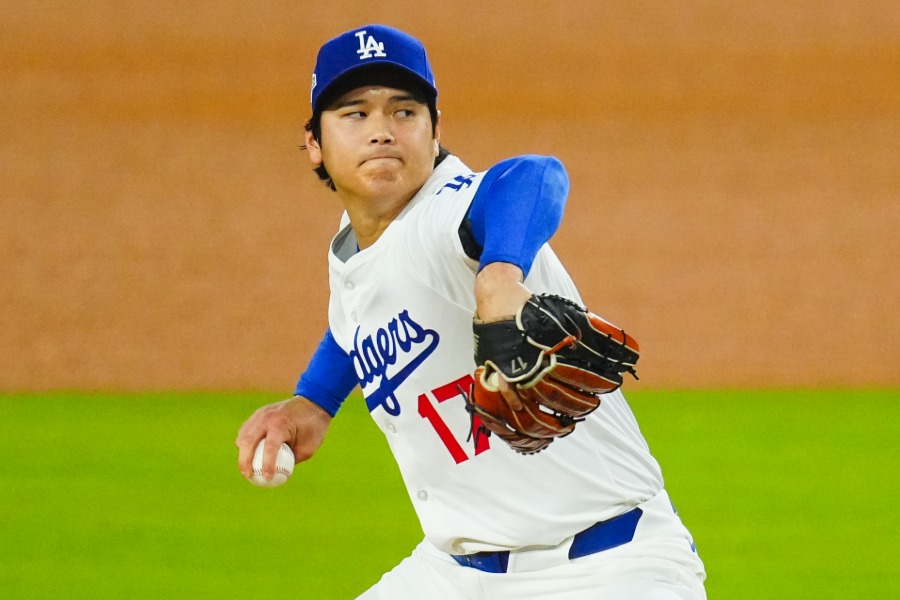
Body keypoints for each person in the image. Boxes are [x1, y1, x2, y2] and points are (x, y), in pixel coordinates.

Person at [235, 24, 707, 599]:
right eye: (354, 114)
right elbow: (357, 321)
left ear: (435, 132)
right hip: (451, 575)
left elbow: (532, 174)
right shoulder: (355, 244)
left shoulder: (447, 213)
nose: (382, 131)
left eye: (405, 112)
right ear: (314, 142)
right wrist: (314, 402)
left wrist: (500, 278)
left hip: (608, 570)